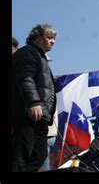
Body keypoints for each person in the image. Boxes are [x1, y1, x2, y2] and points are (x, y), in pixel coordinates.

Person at [12, 24, 58, 172]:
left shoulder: (41, 57)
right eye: (49, 37)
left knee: (39, 155)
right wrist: (33, 102)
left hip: (40, 118)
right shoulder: (28, 52)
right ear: (38, 38)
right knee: (21, 155)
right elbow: (25, 78)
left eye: (54, 39)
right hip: (28, 114)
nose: (53, 42)